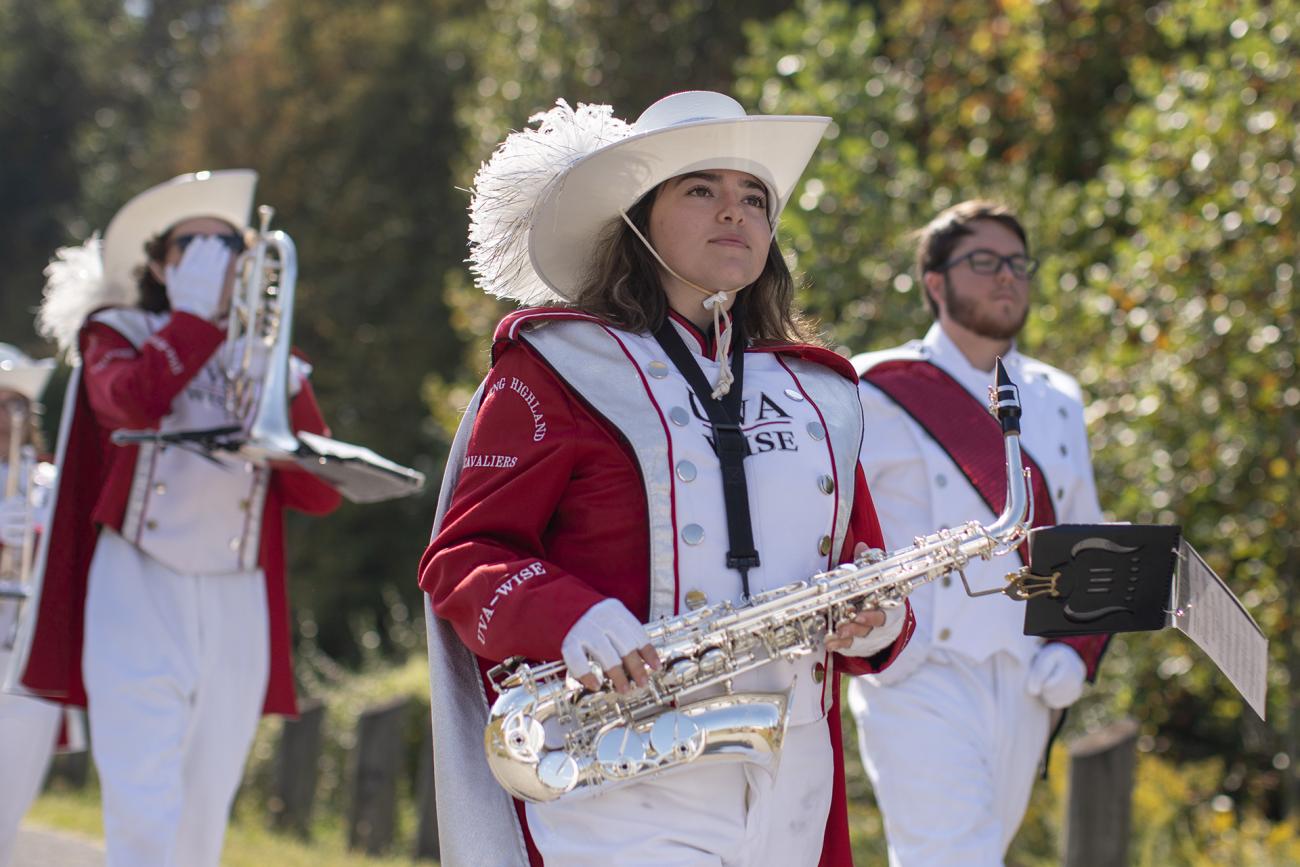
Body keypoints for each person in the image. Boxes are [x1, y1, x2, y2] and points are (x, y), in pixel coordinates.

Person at [419, 90, 915, 867]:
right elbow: (464, 558)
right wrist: (572, 618)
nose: (735, 211)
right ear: (637, 218)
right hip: (624, 782)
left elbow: (865, 564)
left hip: (796, 785)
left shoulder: (818, 390)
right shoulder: (557, 367)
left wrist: (878, 621)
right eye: (700, 189)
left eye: (754, 197)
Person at [11, 169, 342, 867]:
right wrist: (191, 323)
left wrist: (282, 379)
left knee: (204, 809)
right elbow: (128, 403)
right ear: (161, 264)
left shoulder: (266, 351)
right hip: (137, 578)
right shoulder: (117, 331)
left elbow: (317, 493)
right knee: (142, 801)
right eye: (190, 247)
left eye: (226, 245)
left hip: (235, 593)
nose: (211, 260)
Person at [846, 200, 1110, 866]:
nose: (1006, 278)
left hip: (1025, 675)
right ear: (935, 281)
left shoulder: (1059, 396)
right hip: (920, 667)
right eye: (984, 262)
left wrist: (1077, 651)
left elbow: (1086, 535)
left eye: (1018, 263)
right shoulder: (872, 386)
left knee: (984, 849)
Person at [0, 343, 80, 867]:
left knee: (7, 805)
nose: (8, 419)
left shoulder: (47, 484)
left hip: (26, 655)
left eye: (18, 406)